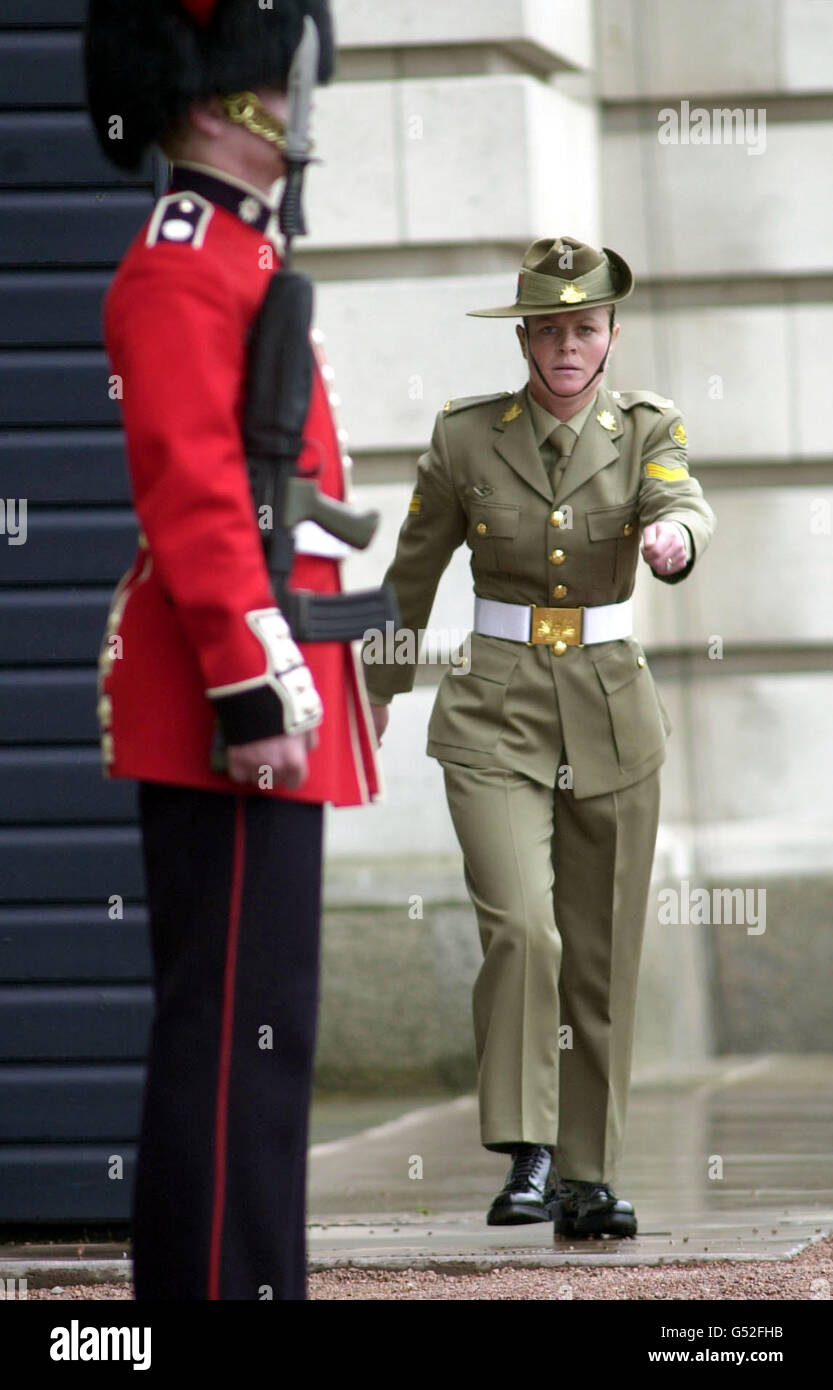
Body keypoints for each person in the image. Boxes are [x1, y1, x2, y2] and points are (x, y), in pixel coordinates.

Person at [85, 0, 381, 1298]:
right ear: (215, 100)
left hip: (269, 693)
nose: (296, 104)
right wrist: (255, 685)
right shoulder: (180, 260)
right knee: (230, 1037)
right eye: (273, 77)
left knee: (264, 1035)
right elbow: (196, 491)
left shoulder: (237, 256)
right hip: (234, 712)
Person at [363, 236, 716, 1238]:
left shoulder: (648, 428)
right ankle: (526, 1151)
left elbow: (679, 501)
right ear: (524, 335)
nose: (566, 346)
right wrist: (378, 681)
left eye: (584, 328)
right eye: (549, 329)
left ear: (609, 335)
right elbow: (411, 571)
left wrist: (673, 542)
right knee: (523, 925)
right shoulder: (465, 438)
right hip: (491, 710)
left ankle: (588, 1176)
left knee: (599, 955)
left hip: (609, 708)